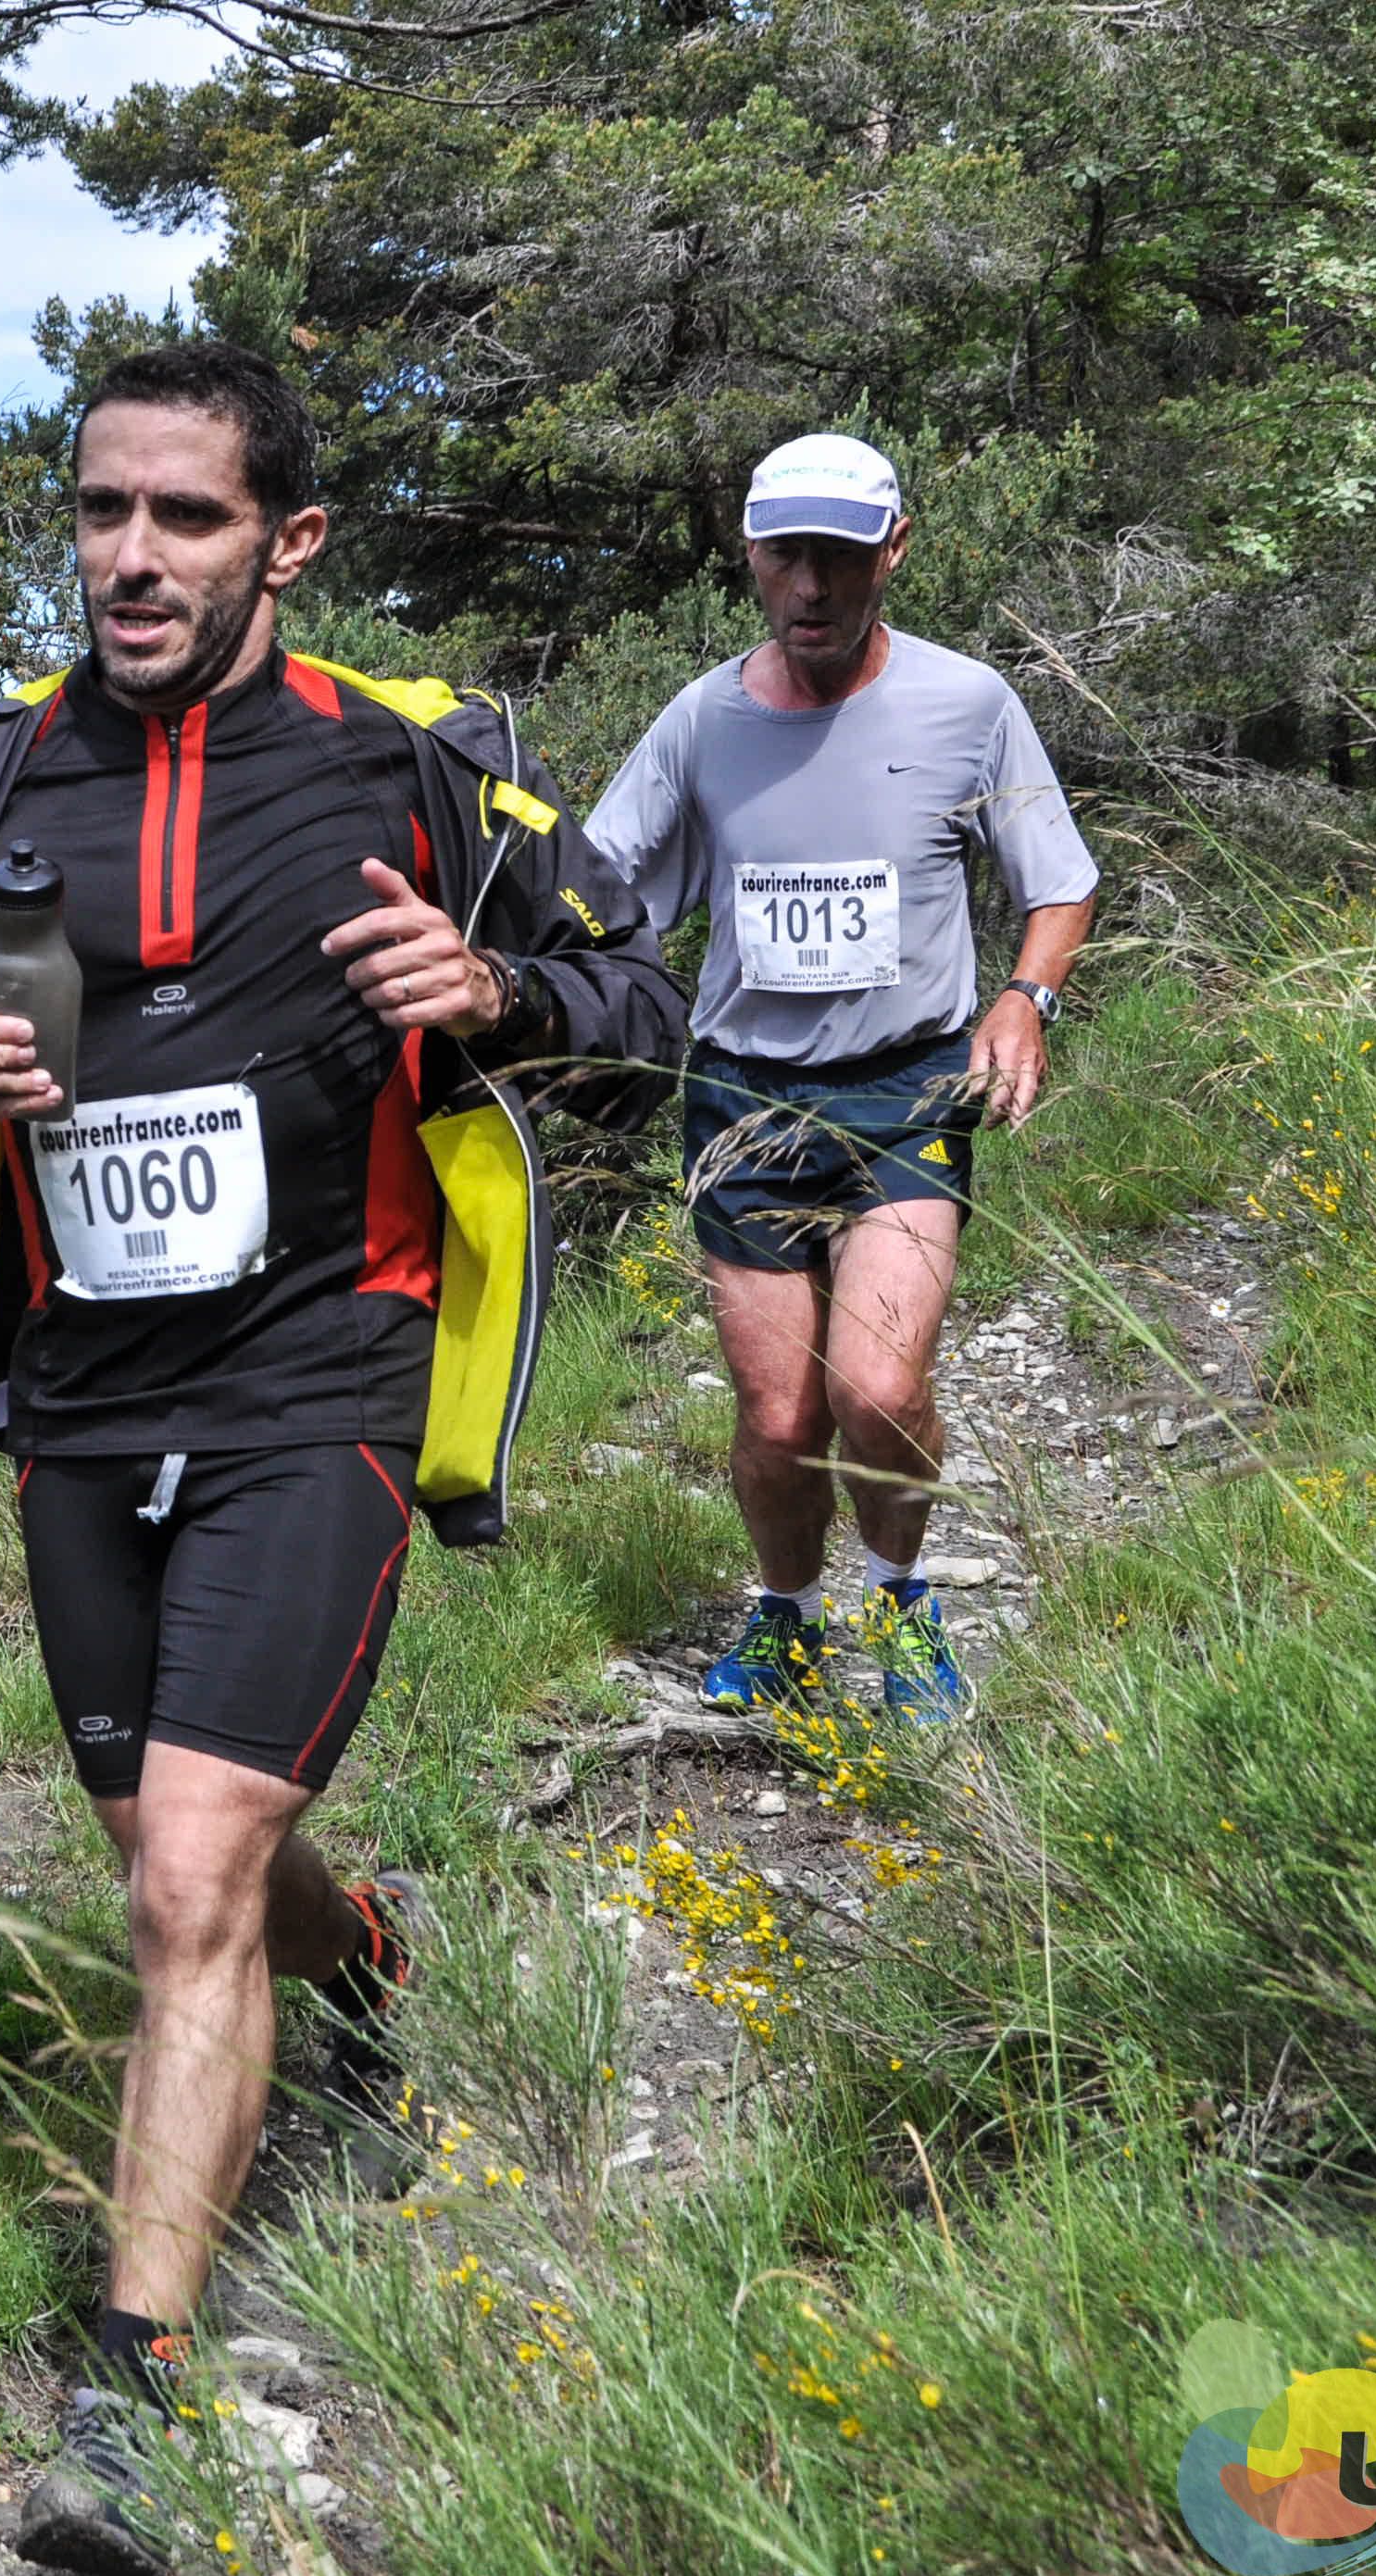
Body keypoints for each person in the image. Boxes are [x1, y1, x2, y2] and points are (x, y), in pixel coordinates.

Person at [0, 339, 684, 2576]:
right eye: (99, 510)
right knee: (183, 1855)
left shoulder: (419, 766)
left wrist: (495, 1000)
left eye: (180, 516)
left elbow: (637, 1008)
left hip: (326, 1369)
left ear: (284, 540)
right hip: (79, 1396)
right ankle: (357, 1955)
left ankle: (133, 2411)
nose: (129, 556)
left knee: (184, 1879)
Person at [583, 432, 1101, 1725]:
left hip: (906, 1090)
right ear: (750, 556)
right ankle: (787, 1618)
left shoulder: (968, 705)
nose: (809, 586)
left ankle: (902, 1602)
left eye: (838, 557)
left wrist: (1025, 999)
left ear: (894, 552)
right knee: (777, 1415)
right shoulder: (702, 722)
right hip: (744, 1101)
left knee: (875, 1390)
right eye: (784, 557)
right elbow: (595, 889)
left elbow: (1061, 882)